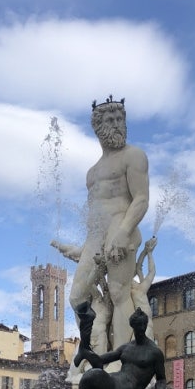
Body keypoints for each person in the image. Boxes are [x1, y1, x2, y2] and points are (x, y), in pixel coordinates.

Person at [60, 97, 149, 353]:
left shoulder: (133, 156)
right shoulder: (92, 173)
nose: (117, 124)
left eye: (120, 119)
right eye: (111, 120)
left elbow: (141, 199)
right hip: (96, 238)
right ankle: (94, 353)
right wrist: (84, 247)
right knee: (77, 296)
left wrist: (123, 232)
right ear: (98, 126)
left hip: (122, 228)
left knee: (120, 293)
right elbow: (95, 215)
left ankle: (122, 359)